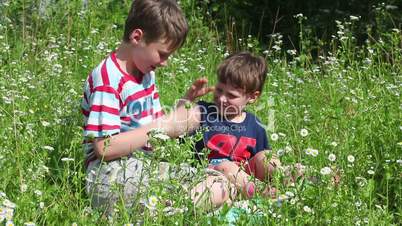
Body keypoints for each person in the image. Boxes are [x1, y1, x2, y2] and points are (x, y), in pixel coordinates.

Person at [81, 0, 189, 213]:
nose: (165, 62)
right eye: (162, 53)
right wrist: (165, 126)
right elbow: (104, 148)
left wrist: (182, 111)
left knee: (201, 178)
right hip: (108, 175)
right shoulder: (108, 79)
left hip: (142, 166)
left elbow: (155, 131)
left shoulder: (147, 74)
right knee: (173, 193)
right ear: (137, 37)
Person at [172, 52, 281, 208]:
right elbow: (178, 123)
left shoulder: (255, 125)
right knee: (225, 165)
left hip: (243, 181)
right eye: (219, 90)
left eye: (231, 95)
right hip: (209, 179)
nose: (222, 98)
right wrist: (187, 100)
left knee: (267, 157)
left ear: (252, 97)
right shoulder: (203, 112)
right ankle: (264, 194)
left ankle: (296, 179)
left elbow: (259, 163)